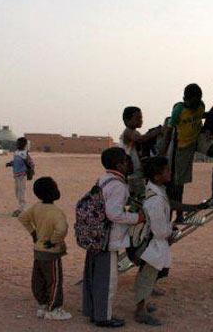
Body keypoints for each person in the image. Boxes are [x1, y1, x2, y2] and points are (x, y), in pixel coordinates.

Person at [82, 147, 144, 328]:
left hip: (95, 236)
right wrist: (137, 218)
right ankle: (104, 317)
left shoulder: (103, 179)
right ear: (120, 165)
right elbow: (113, 214)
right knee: (107, 281)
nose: (130, 162)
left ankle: (93, 311)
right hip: (107, 239)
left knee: (93, 277)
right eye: (126, 160)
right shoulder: (118, 186)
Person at [18, 177, 72, 321]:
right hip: (51, 252)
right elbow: (62, 229)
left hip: (38, 250)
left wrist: (33, 233)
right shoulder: (56, 212)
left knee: (39, 278)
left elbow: (22, 217)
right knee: (54, 280)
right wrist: (53, 241)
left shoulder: (36, 207)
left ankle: (43, 304)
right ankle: (54, 308)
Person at [161, 83, 213, 222]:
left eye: (197, 102)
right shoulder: (179, 110)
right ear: (185, 99)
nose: (194, 106)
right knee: (177, 184)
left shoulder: (201, 105)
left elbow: (203, 116)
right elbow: (168, 133)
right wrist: (162, 154)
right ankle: (177, 215)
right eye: (192, 103)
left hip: (196, 140)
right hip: (182, 147)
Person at [134, 157, 173, 326]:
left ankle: (142, 305)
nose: (169, 173)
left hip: (154, 243)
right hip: (152, 245)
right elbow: (159, 229)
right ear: (157, 176)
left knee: (149, 275)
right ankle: (140, 312)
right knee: (147, 276)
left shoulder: (157, 191)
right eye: (166, 170)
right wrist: (170, 231)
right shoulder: (155, 199)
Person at [119, 106, 162, 200]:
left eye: (141, 118)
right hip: (132, 174)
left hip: (136, 172)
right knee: (139, 198)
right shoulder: (128, 132)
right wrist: (157, 131)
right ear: (127, 120)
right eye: (137, 118)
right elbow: (142, 139)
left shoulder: (134, 132)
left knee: (138, 198)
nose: (140, 120)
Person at [7, 137, 34, 217]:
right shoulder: (16, 152)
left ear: (24, 144)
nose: (17, 144)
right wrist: (10, 164)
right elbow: (15, 161)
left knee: (21, 192)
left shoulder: (25, 154)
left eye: (19, 143)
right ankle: (21, 207)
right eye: (17, 143)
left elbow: (31, 164)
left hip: (22, 175)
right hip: (16, 175)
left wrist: (29, 170)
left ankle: (22, 209)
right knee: (17, 192)